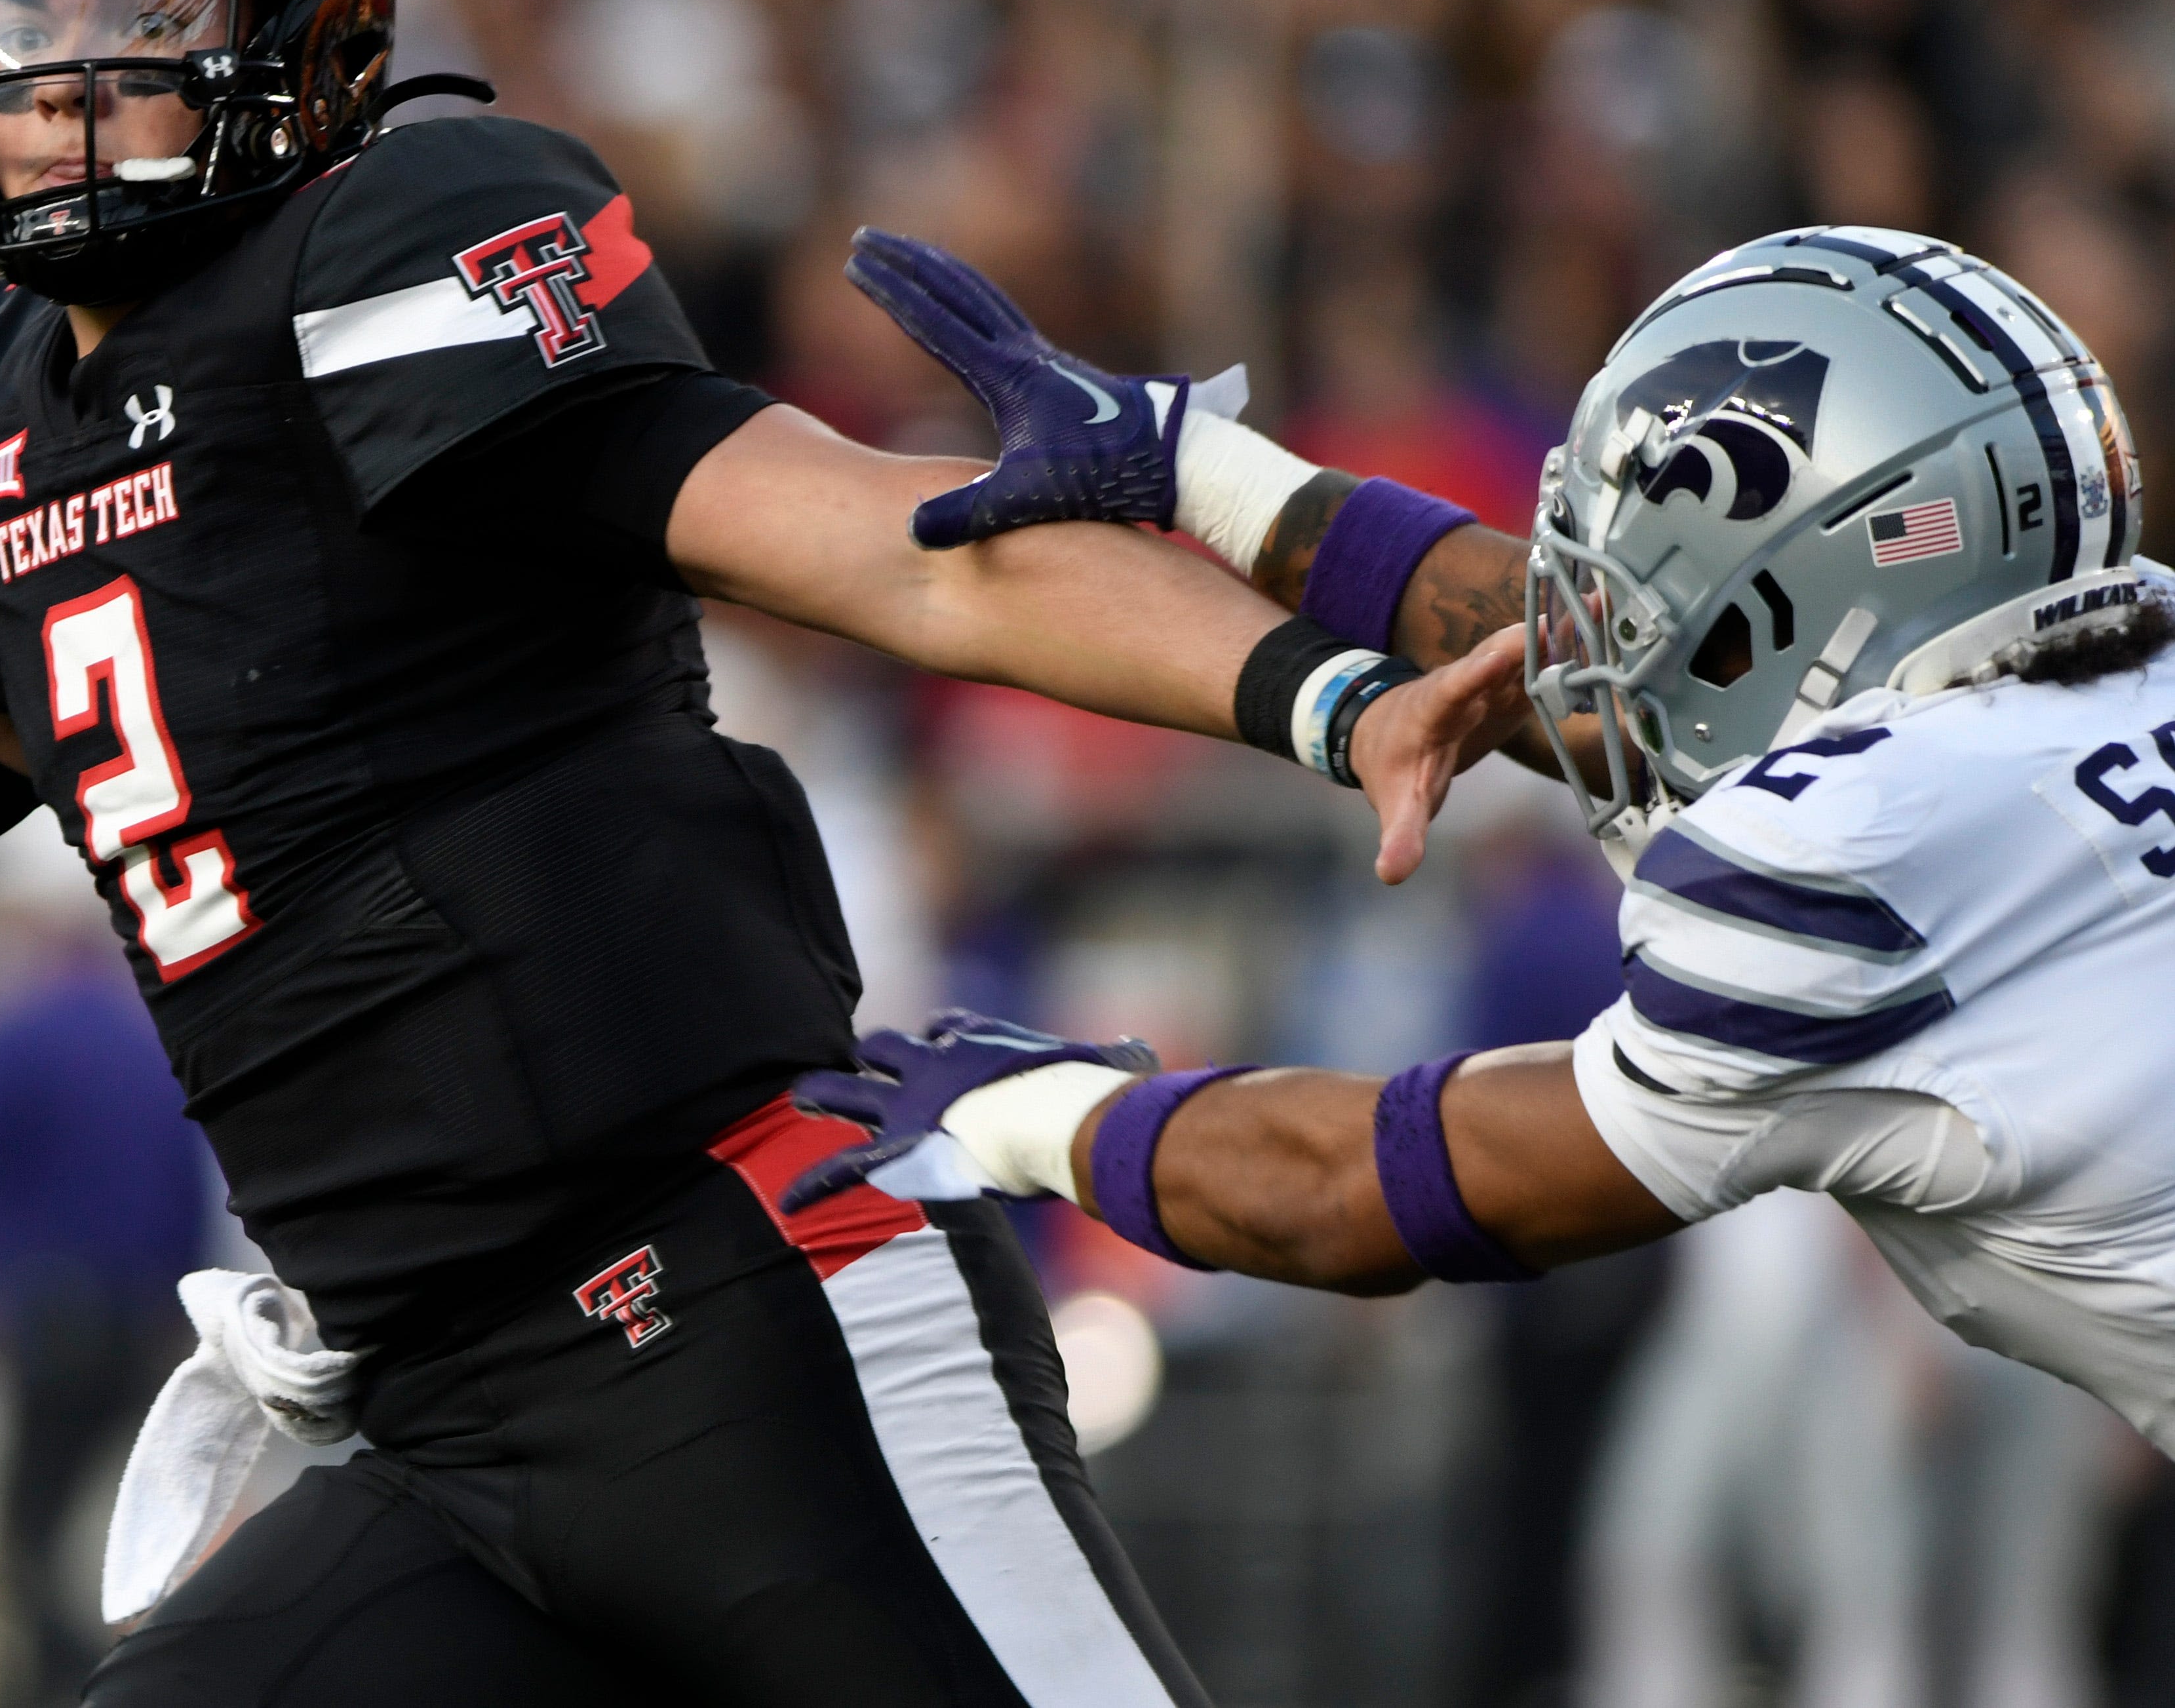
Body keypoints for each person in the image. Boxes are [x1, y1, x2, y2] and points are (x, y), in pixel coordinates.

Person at [0, 0, 1512, 1707]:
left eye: (130, 15)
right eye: (11, 27)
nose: (55, 84)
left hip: (733, 1313)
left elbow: (892, 542)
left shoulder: (392, 239)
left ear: (304, 21)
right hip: (431, 1417)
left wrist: (1323, 692)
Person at [787, 224, 2175, 1479]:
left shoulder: (1842, 868)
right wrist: (1192, 468)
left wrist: (1033, 1115)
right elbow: (1621, 672)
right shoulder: (2120, 648)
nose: (1581, 608)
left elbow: (1362, 1195)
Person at [0, 939, 215, 1699]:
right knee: (119, 1515)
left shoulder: (13, 1036)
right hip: (137, 1315)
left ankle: (57, 1679)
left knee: (33, 1517)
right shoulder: (146, 1046)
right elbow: (188, 1193)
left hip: (44, 1315)